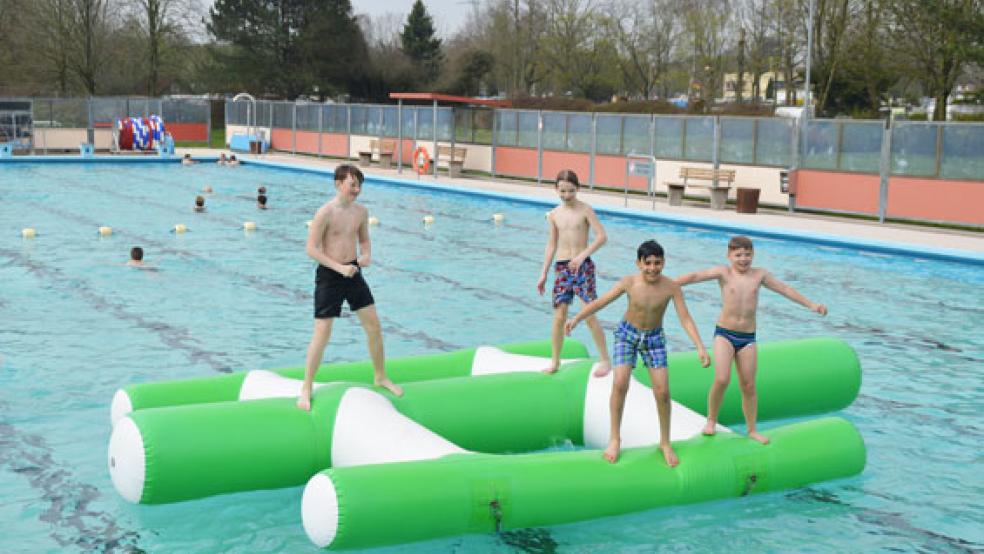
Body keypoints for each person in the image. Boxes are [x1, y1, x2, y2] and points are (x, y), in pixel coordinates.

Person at [566, 240, 710, 466]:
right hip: (627, 335)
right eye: (648, 263)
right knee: (620, 383)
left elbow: (685, 318)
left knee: (662, 392)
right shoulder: (629, 283)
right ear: (638, 263)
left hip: (654, 339)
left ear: (663, 263)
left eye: (657, 263)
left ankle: (665, 442)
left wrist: (700, 346)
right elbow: (602, 301)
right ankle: (615, 438)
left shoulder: (671, 287)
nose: (653, 268)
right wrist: (577, 318)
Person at [676, 236, 827, 445]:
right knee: (722, 379)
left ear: (753, 255)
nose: (743, 259)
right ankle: (711, 420)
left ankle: (752, 429)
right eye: (738, 255)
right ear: (729, 256)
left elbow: (785, 289)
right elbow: (695, 276)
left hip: (747, 338)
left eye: (747, 254)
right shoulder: (724, 273)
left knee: (748, 385)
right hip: (724, 334)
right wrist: (670, 283)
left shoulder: (760, 275)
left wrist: (811, 304)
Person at [297, 164, 403, 411]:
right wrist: (338, 267)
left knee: (374, 326)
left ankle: (380, 376)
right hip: (330, 275)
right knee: (322, 332)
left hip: (353, 272)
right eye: (352, 184)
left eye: (359, 185)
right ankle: (306, 386)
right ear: (338, 184)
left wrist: (366, 255)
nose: (357, 190)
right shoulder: (325, 213)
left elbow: (364, 240)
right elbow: (311, 249)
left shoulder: (361, 212)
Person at [537, 169, 611, 377]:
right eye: (562, 191)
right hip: (562, 267)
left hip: (583, 265)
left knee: (588, 313)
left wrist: (582, 256)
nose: (566, 195)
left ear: (578, 189)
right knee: (559, 316)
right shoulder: (554, 215)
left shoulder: (586, 210)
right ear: (556, 189)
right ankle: (555, 361)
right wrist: (543, 273)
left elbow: (601, 237)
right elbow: (551, 245)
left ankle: (605, 360)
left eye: (570, 191)